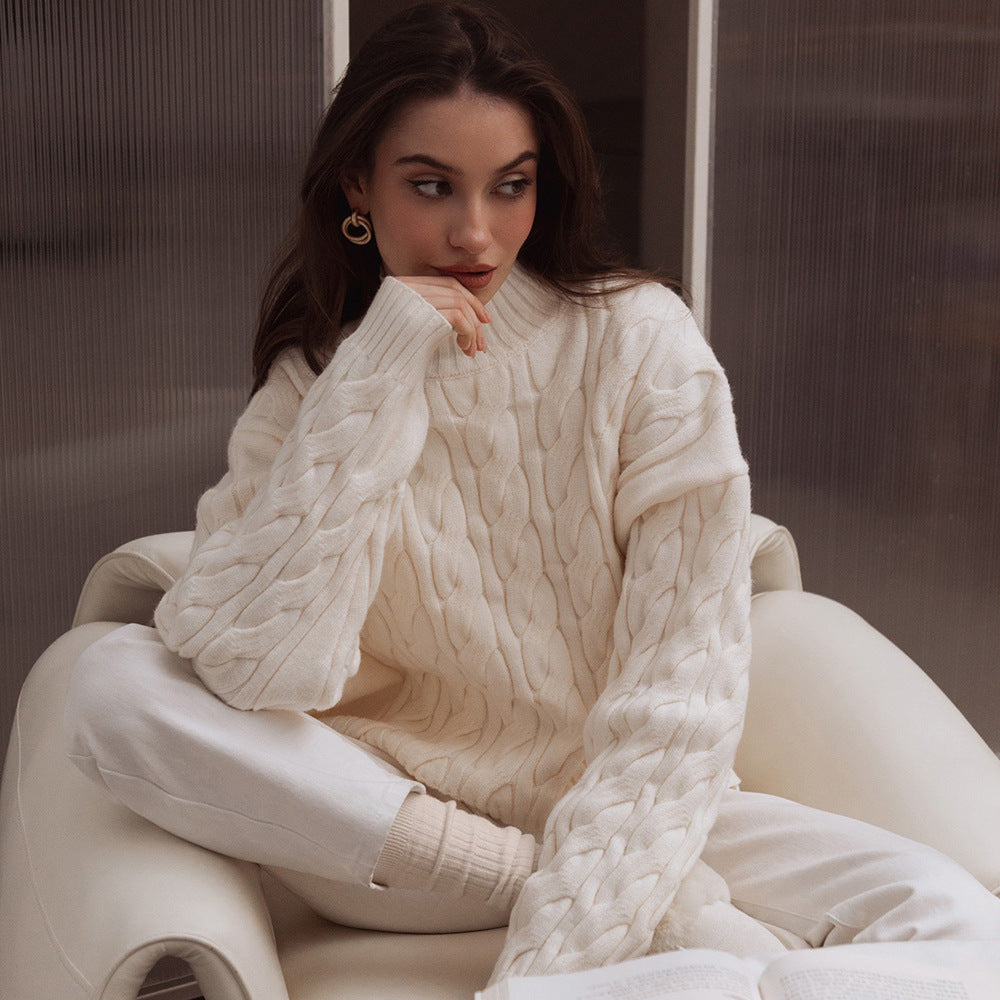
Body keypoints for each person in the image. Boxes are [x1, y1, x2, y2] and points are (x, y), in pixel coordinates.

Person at [63, 0, 1000, 986]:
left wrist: (553, 954)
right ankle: (660, 945)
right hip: (384, 825)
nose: (476, 233)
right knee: (111, 683)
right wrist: (378, 367)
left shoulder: (641, 340)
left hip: (626, 813)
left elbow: (677, 699)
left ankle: (694, 970)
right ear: (358, 184)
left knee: (961, 920)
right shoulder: (314, 384)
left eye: (509, 187)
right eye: (431, 186)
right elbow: (258, 672)